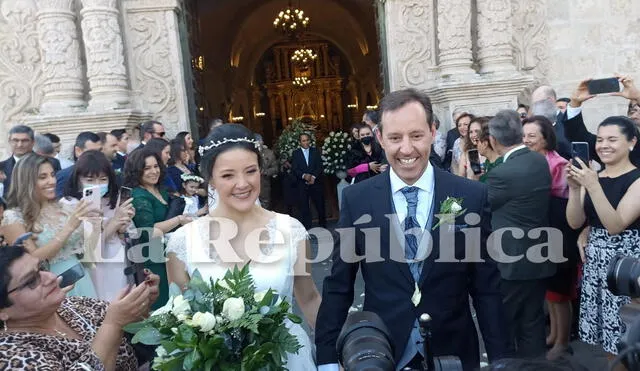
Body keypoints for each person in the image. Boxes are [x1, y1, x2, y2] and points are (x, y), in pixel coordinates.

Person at [315, 89, 510, 371]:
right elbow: (339, 285)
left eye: (416, 135)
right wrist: (327, 360)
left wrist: (501, 360)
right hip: (383, 352)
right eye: (395, 138)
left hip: (454, 350)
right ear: (380, 137)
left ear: (432, 132)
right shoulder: (358, 200)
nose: (406, 149)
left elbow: (487, 288)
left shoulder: (471, 196)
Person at [165, 124, 321, 370]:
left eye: (250, 171)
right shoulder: (182, 242)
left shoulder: (291, 231)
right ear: (211, 180)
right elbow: (182, 319)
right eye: (228, 175)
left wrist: (336, 354)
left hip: (288, 358)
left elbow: (309, 298)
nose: (242, 184)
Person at [0, 244, 160, 370]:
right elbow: (116, 321)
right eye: (31, 281)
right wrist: (113, 325)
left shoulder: (72, 305)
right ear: (3, 312)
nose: (49, 277)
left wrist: (142, 303)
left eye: (42, 268)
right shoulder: (10, 355)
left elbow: (135, 328)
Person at [566, 116, 640, 361]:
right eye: (599, 140)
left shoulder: (637, 180)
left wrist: (593, 185)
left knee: (627, 336)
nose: (603, 145)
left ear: (631, 143)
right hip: (597, 264)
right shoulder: (591, 178)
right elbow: (575, 222)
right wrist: (576, 189)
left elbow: (616, 225)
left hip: (627, 266)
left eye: (612, 139)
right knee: (609, 341)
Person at [485, 110, 554, 359]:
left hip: (512, 261)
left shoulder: (501, 174)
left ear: (493, 140)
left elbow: (480, 204)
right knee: (533, 322)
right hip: (541, 255)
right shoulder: (538, 161)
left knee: (506, 326)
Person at [522, 116, 579, 360]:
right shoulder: (530, 161)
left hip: (559, 233)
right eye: (523, 136)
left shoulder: (558, 164)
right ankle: (554, 334)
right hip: (540, 232)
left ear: (546, 138)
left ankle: (562, 342)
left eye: (531, 136)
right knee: (550, 292)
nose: (526, 141)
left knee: (559, 292)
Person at [1, 153, 97, 298]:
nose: (52, 181)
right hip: (49, 285)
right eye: (43, 177)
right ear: (26, 181)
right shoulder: (13, 217)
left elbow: (88, 250)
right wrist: (69, 227)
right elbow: (33, 259)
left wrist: (96, 225)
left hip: (81, 277)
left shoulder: (65, 207)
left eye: (52, 175)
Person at [63, 150, 136, 302]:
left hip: (117, 261)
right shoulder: (71, 205)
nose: (97, 185)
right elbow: (89, 250)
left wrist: (123, 225)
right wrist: (114, 222)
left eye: (103, 179)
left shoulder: (112, 201)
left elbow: (127, 234)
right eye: (90, 179)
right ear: (78, 179)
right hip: (94, 266)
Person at [123, 148, 192, 309]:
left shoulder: (159, 189)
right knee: (164, 304)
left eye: (156, 166)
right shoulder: (139, 196)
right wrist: (179, 220)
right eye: (147, 168)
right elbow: (148, 231)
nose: (154, 171)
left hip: (170, 251)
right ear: (136, 171)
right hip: (152, 257)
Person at [291, 133, 326, 229]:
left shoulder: (315, 151)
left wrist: (313, 177)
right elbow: (295, 168)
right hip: (302, 184)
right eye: (303, 140)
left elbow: (319, 166)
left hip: (316, 183)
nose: (306, 142)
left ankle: (323, 226)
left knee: (320, 205)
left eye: (307, 140)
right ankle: (307, 228)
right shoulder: (296, 153)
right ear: (300, 142)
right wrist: (304, 176)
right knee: (304, 206)